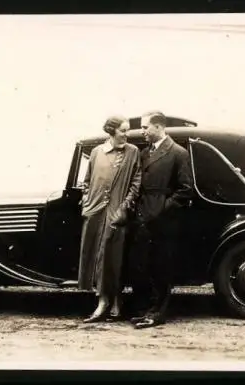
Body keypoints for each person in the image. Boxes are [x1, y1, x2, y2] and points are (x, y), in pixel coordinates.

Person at [127, 111, 193, 329]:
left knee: (161, 267)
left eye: (146, 127)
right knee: (142, 265)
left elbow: (185, 190)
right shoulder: (144, 153)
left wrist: (162, 209)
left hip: (164, 222)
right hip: (142, 218)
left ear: (158, 127)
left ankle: (158, 313)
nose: (142, 131)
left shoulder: (178, 153)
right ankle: (145, 310)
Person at [78, 115, 142, 323]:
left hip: (117, 212)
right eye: (123, 130)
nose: (127, 134)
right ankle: (105, 300)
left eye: (127, 130)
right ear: (112, 131)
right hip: (95, 211)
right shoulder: (97, 153)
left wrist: (124, 208)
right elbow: (87, 181)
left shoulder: (132, 152)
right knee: (97, 256)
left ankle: (110, 300)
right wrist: (87, 201)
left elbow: (135, 183)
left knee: (113, 256)